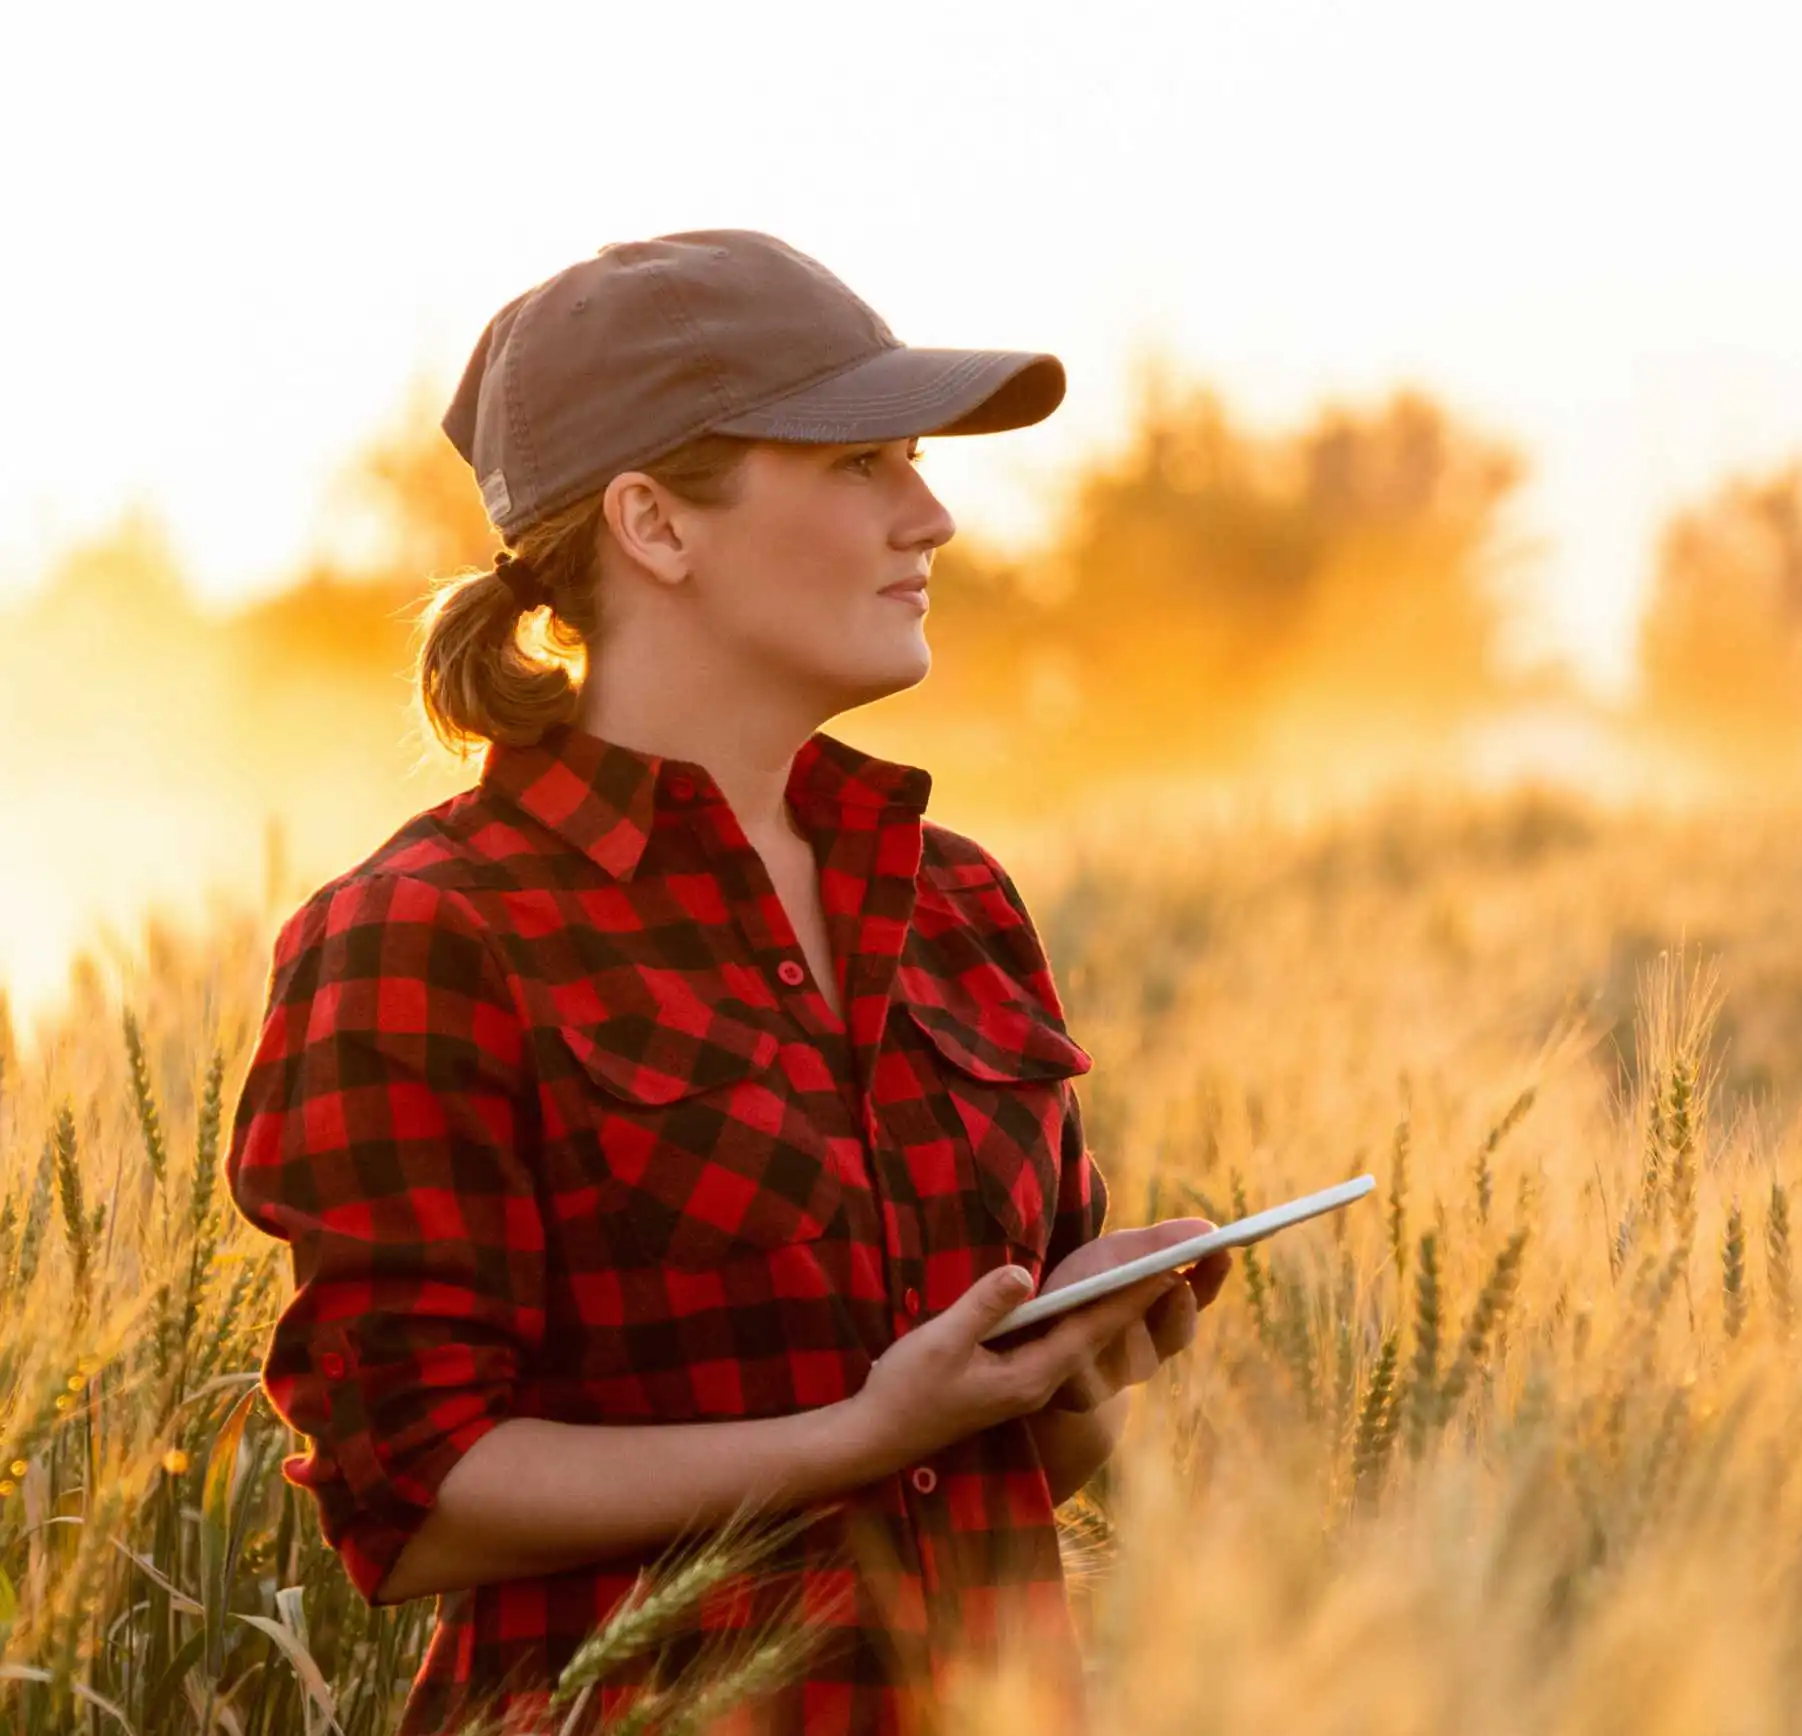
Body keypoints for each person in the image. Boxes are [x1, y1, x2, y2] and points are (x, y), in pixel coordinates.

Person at [225, 229, 1233, 1736]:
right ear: (654, 523)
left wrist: (1066, 1372)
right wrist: (856, 1437)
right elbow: (417, 1496)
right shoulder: (432, 934)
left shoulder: (953, 899)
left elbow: (979, 1479)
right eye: (859, 464)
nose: (934, 515)